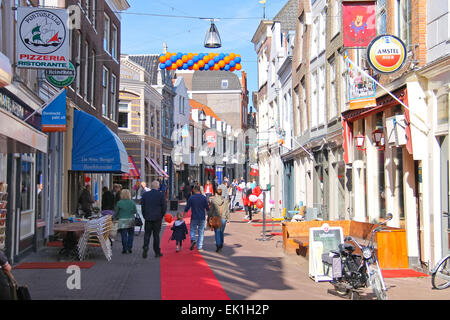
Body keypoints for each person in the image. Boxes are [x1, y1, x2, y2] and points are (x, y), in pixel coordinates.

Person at [141, 180, 167, 258]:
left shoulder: (145, 195)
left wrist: (145, 215)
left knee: (147, 234)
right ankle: (157, 251)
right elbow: (164, 207)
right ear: (158, 186)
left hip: (148, 217)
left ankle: (145, 246)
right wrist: (161, 215)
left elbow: (143, 206)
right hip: (157, 218)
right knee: (156, 235)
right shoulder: (161, 195)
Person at [184, 185, 209, 252]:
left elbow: (187, 207)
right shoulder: (204, 198)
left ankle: (193, 239)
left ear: (195, 190)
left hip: (194, 216)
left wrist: (183, 214)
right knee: (201, 232)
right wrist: (209, 215)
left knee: (192, 229)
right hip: (202, 216)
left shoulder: (192, 197)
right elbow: (207, 207)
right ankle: (200, 247)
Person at [113, 189, 137, 254]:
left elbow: (116, 212)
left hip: (122, 220)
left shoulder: (119, 202)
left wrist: (114, 218)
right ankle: (130, 247)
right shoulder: (132, 202)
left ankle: (124, 248)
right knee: (131, 234)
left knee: (123, 235)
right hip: (131, 219)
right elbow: (135, 211)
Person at [208, 188, 230, 253]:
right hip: (223, 218)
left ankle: (218, 245)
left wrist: (209, 217)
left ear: (216, 193)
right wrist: (228, 218)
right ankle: (221, 243)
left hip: (216, 217)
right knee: (221, 232)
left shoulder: (213, 200)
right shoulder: (225, 200)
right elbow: (227, 210)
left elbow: (211, 210)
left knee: (217, 232)